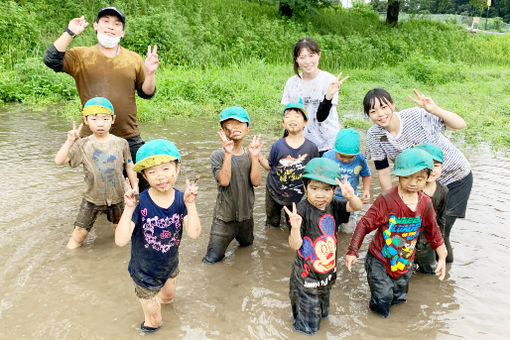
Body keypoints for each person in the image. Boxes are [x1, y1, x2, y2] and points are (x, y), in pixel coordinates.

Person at [43, 6, 159, 191]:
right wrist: (70, 32)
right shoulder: (81, 55)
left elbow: (147, 93)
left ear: (123, 31)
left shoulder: (133, 59)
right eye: (105, 21)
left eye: (117, 23)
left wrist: (150, 73)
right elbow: (51, 59)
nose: (111, 26)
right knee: (104, 189)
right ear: (96, 25)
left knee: (146, 184)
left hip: (129, 135)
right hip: (94, 138)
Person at [363, 88, 472, 263]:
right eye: (373, 111)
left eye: (384, 107)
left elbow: (460, 124)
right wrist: (393, 202)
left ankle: (443, 272)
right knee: (418, 230)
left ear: (392, 105)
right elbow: (383, 172)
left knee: (439, 233)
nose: (380, 114)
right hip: (422, 185)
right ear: (368, 114)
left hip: (455, 177)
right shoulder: (375, 135)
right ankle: (423, 273)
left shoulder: (416, 116)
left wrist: (434, 109)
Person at [345, 148, 447, 318]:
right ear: (398, 176)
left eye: (419, 178)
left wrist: (442, 257)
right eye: (406, 177)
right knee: (382, 298)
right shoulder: (387, 200)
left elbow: (433, 229)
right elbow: (364, 223)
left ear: (427, 178)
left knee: (399, 298)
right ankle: (377, 328)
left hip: (404, 261)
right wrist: (352, 250)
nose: (412, 183)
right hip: (380, 259)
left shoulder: (425, 203)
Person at [115, 139, 201, 333]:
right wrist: (129, 208)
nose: (160, 177)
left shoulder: (181, 199)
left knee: (169, 299)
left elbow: (194, 234)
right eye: (152, 172)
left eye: (165, 169)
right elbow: (120, 241)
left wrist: (191, 205)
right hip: (144, 273)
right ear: (144, 175)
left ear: (177, 169)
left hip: (170, 265)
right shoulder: (140, 202)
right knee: (154, 322)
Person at [284, 157, 362, 334]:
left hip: (327, 276)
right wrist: (295, 228)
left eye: (327, 189)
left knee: (324, 315)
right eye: (314, 188)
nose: (320, 195)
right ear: (305, 188)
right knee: (308, 329)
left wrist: (350, 195)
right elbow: (295, 245)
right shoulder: (301, 211)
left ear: (335, 190)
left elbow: (356, 207)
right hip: (306, 281)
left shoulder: (333, 204)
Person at [54, 97, 138, 249]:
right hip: (92, 198)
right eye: (94, 118)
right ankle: (71, 262)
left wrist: (135, 187)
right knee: (79, 235)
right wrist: (70, 141)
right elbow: (59, 160)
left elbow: (129, 166)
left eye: (105, 118)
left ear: (113, 120)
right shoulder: (83, 144)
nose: (100, 123)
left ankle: (121, 261)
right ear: (85, 120)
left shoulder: (121, 143)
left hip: (118, 196)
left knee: (121, 232)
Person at [202, 106, 263, 264]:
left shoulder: (250, 154)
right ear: (222, 130)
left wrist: (255, 158)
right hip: (224, 219)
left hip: (246, 217)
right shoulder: (217, 155)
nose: (235, 127)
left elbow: (256, 182)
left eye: (240, 123)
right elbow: (224, 181)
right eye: (230, 123)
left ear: (247, 129)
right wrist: (228, 153)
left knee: (247, 246)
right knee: (211, 260)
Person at [281, 37, 349, 155]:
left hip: (327, 143)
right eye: (302, 57)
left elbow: (321, 117)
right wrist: (284, 142)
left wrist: (328, 96)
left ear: (319, 55)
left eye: (311, 55)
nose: (307, 61)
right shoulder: (292, 83)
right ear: (297, 59)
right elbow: (289, 117)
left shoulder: (330, 81)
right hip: (301, 143)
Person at [258, 101, 319, 228]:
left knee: (294, 225)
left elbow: (314, 174)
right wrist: (257, 155)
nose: (292, 119)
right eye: (288, 116)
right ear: (283, 123)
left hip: (296, 196)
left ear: (305, 123)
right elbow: (269, 166)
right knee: (272, 224)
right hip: (273, 192)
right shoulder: (278, 145)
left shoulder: (311, 148)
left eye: (297, 116)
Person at [413, 143, 449, 274]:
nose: (432, 170)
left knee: (431, 273)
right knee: (402, 276)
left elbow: (441, 219)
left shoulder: (443, 191)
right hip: (408, 242)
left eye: (436, 165)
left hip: (427, 244)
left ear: (442, 167)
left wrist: (441, 244)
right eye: (427, 165)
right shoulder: (411, 189)